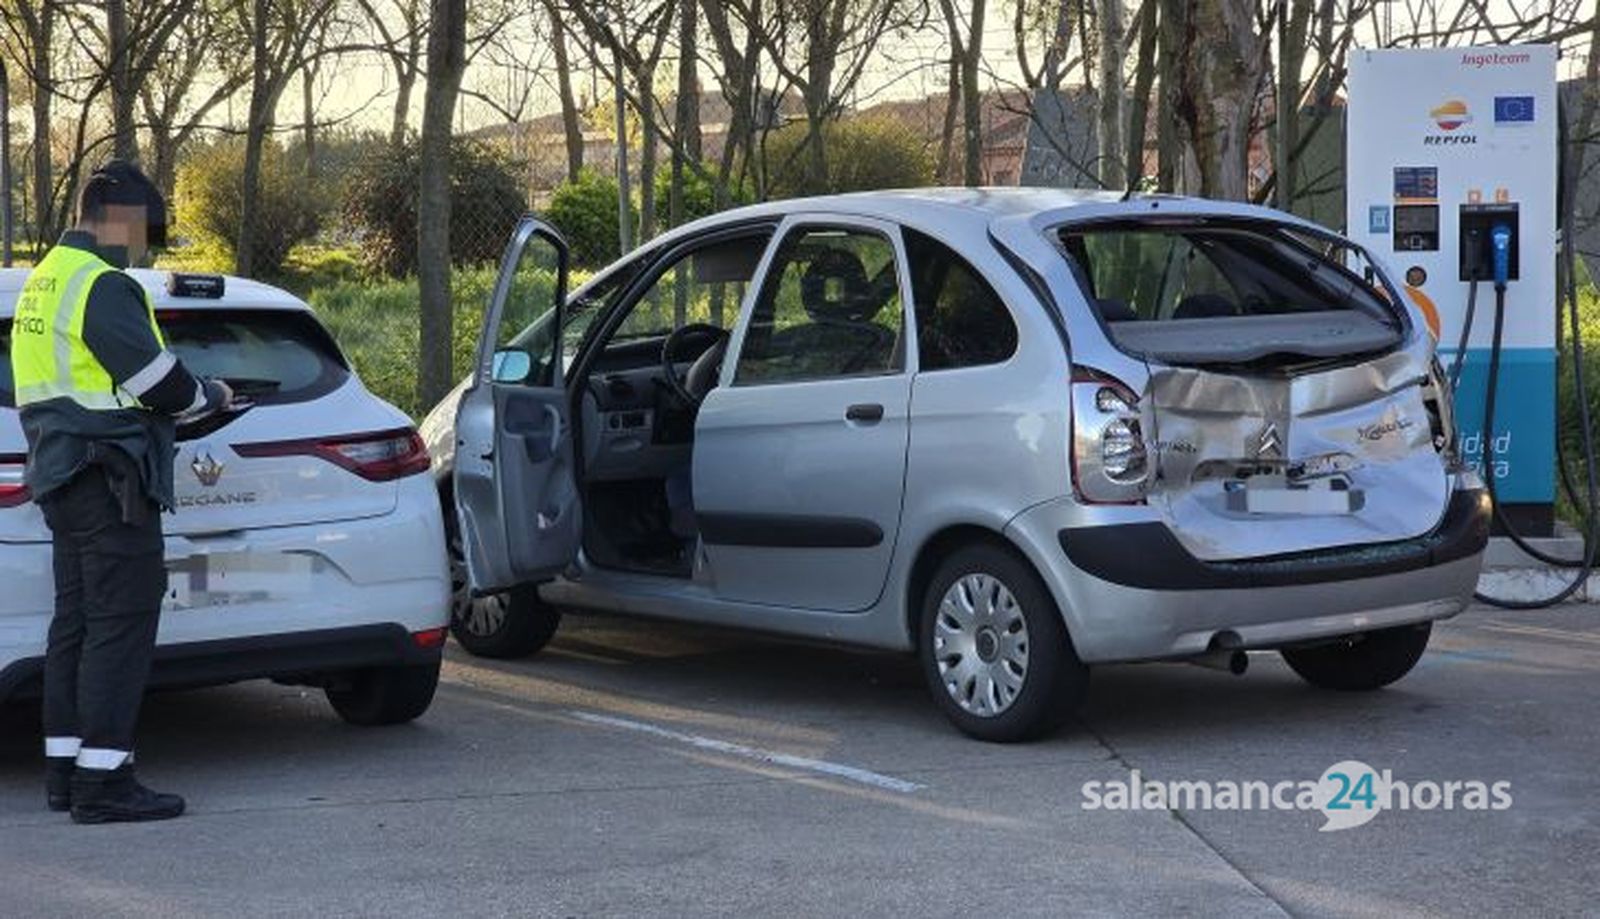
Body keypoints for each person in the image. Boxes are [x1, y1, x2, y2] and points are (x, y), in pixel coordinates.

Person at [10, 160, 232, 824]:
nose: (144, 247)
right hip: (111, 481)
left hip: (63, 475)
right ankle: (104, 782)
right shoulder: (102, 285)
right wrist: (210, 395)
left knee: (75, 625)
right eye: (143, 231)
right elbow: (162, 383)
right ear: (112, 217)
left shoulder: (43, 281)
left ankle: (66, 771)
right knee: (120, 627)